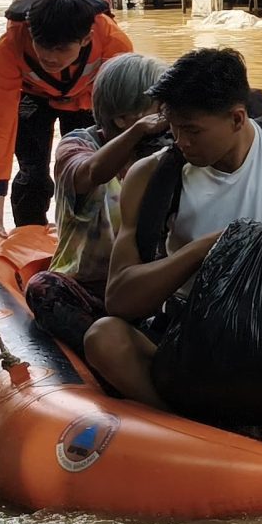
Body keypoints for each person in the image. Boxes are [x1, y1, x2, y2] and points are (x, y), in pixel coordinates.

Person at [87, 48, 262, 413]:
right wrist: (203, 250)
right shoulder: (152, 175)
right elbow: (118, 299)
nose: (181, 142)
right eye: (174, 128)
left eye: (193, 130)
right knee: (103, 338)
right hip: (195, 327)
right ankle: (183, 424)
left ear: (238, 118)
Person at [21, 51, 166, 355]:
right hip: (88, 290)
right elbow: (89, 173)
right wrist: (137, 133)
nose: (166, 115)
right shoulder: (78, 145)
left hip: (145, 290)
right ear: (125, 117)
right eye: (159, 107)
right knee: (43, 289)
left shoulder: (166, 151)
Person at [0, 0, 133, 232]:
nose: (51, 58)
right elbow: (0, 124)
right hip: (33, 97)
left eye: (61, 49)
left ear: (86, 38)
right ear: (31, 32)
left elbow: (123, 112)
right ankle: (29, 232)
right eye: (42, 45)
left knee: (85, 168)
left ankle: (79, 229)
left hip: (87, 98)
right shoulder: (9, 47)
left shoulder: (114, 43)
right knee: (32, 174)